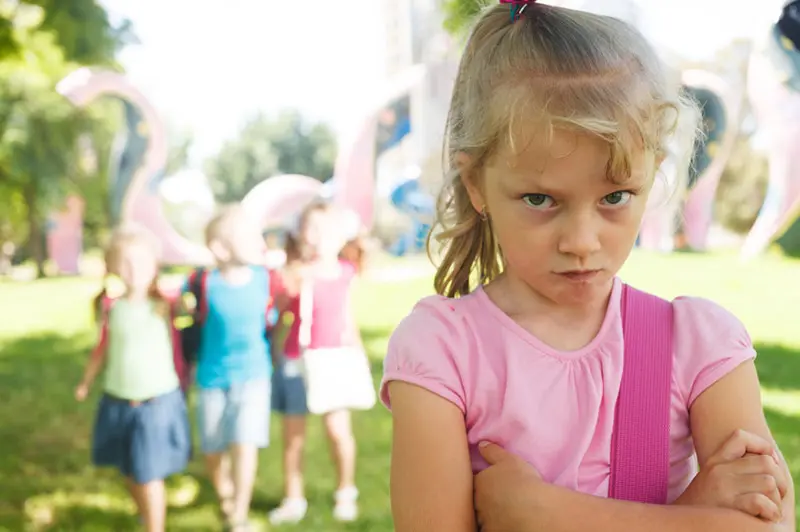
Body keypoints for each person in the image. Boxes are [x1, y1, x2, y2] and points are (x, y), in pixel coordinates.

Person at [380, 3, 796, 532]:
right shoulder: (442, 352)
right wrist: (693, 516)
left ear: (653, 174)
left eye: (616, 196)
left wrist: (543, 513)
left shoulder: (699, 344)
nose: (581, 242)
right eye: (539, 199)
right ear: (476, 184)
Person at [75, 225, 191, 532]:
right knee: (129, 470)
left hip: (155, 403)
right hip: (118, 400)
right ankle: (146, 515)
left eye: (141, 262)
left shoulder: (164, 305)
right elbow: (101, 350)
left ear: (155, 265)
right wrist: (86, 382)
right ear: (112, 267)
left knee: (148, 474)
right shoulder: (111, 307)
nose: (133, 270)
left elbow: (192, 314)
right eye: (125, 263)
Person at [268, 201, 365, 524]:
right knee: (293, 438)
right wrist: (275, 353)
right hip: (297, 361)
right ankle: (293, 498)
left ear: (340, 236)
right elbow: (280, 316)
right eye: (312, 228)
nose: (319, 236)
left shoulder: (346, 273)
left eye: (327, 229)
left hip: (334, 360)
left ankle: (346, 491)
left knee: (338, 432)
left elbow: (347, 316)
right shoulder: (294, 274)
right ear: (302, 234)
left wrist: (358, 354)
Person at [186, 205, 273, 531]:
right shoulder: (202, 283)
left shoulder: (265, 279)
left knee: (245, 442)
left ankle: (238, 513)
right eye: (249, 237)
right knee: (212, 448)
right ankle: (224, 493)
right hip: (211, 378)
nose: (258, 241)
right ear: (220, 248)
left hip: (253, 377)